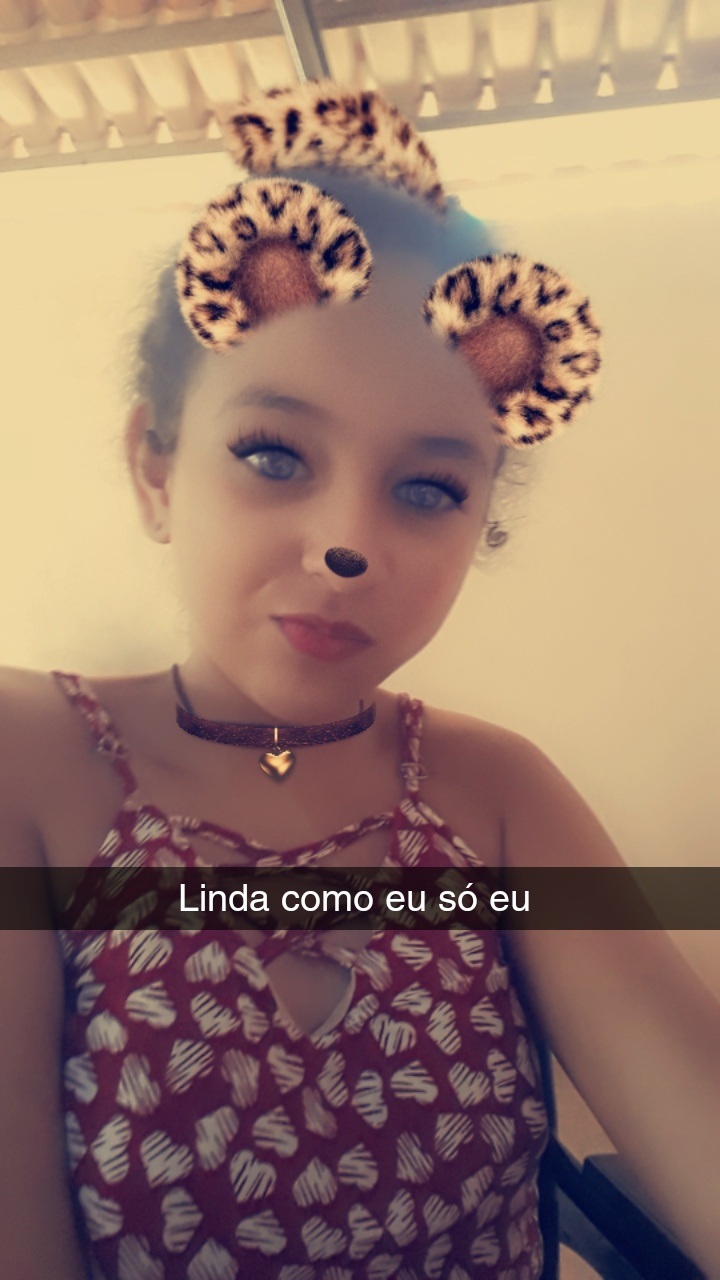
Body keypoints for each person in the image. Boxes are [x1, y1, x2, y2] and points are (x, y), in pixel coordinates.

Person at [1, 81, 718, 1280]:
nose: (348, 544)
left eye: (429, 486)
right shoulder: (28, 762)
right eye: (274, 453)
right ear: (157, 470)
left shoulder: (495, 791)